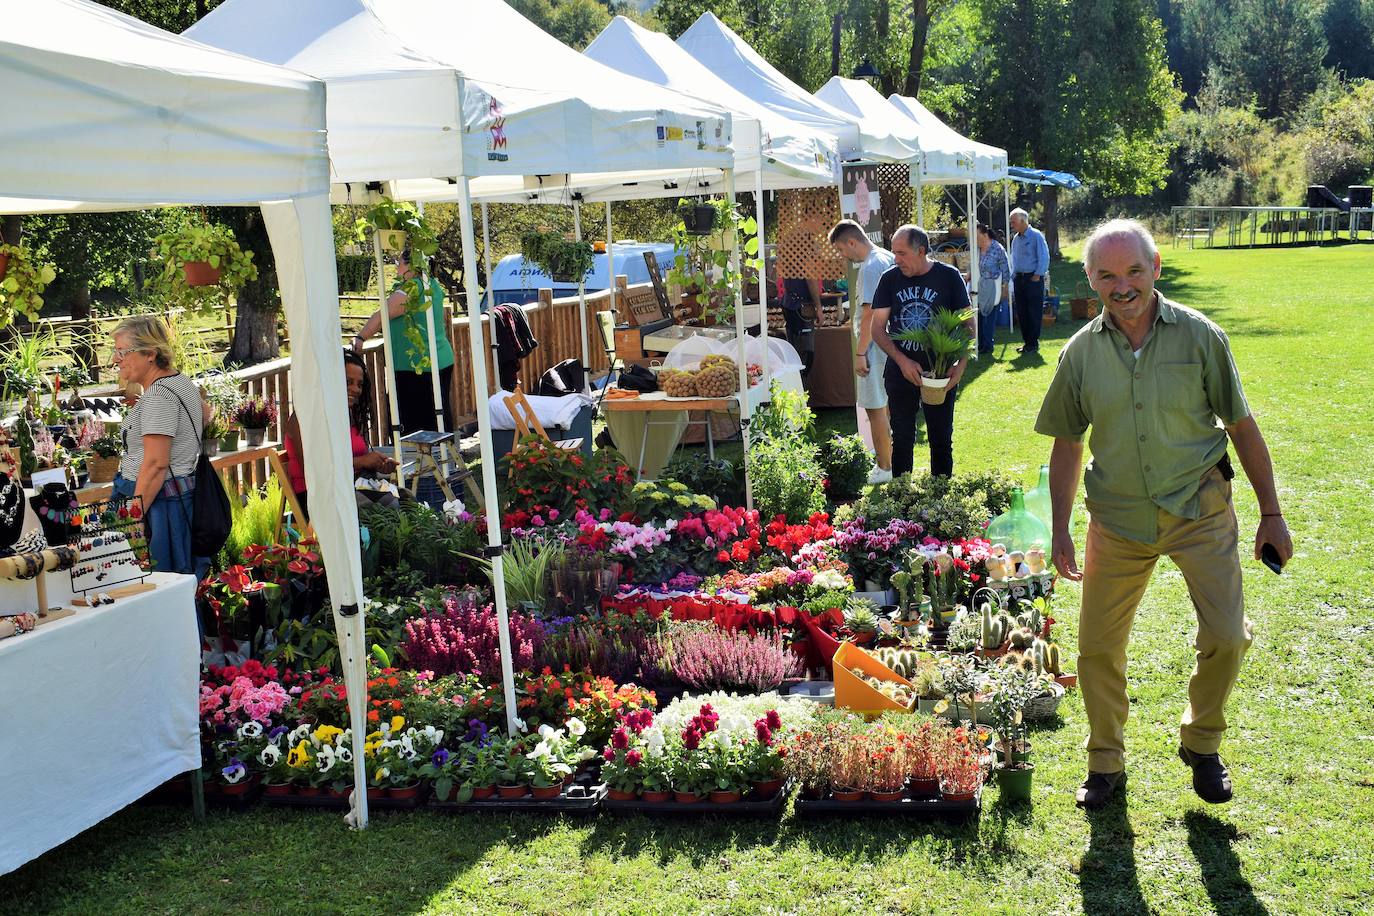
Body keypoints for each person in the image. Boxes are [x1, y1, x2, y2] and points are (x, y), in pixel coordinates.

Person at [1034, 218, 1292, 809]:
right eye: (1106, 274)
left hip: (1198, 509)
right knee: (1097, 647)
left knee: (1228, 637)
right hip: (1118, 518)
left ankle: (1202, 743)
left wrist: (1271, 513)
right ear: (1090, 279)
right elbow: (1068, 442)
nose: (1121, 285)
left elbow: (1242, 427)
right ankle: (1105, 764)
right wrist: (1060, 529)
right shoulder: (1079, 354)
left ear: (1156, 269)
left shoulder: (1201, 337)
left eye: (1132, 271)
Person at [870, 225, 974, 478]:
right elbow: (877, 329)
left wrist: (959, 368)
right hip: (899, 373)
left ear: (921, 251)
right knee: (903, 438)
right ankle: (902, 501)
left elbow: (968, 326)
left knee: (940, 440)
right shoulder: (890, 279)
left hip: (939, 375)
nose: (896, 259)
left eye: (902, 253)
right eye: (894, 252)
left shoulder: (948, 277)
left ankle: (941, 502)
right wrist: (902, 361)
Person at [109, 315, 210, 577]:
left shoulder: (159, 396)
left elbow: (155, 464)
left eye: (122, 352)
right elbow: (204, 415)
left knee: (159, 586)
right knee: (177, 587)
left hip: (158, 505)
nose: (114, 359)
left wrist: (133, 516)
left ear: (150, 354)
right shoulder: (180, 383)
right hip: (169, 499)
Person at [283, 349, 398, 520]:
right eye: (348, 382)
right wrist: (362, 461)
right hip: (319, 495)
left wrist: (377, 464)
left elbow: (353, 462)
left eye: (359, 384)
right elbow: (314, 467)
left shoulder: (347, 416)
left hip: (352, 486)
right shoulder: (303, 418)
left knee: (407, 500)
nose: (355, 389)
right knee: (389, 504)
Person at [352, 247, 455, 435]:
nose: (396, 266)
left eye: (399, 262)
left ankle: (423, 461)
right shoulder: (431, 284)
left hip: (418, 367)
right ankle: (443, 455)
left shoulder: (411, 290)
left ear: (411, 266)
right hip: (438, 359)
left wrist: (360, 337)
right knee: (437, 416)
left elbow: (382, 315)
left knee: (417, 422)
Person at [828, 218, 894, 483]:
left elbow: (869, 313)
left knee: (875, 408)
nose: (844, 256)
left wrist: (860, 352)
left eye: (843, 250)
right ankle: (892, 460)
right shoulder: (887, 257)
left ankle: (884, 467)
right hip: (889, 343)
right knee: (888, 406)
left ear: (852, 242)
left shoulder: (869, 267)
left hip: (874, 348)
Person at [1009, 207, 1050, 354]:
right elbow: (1014, 258)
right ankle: (1027, 343)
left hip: (1032, 278)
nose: (1012, 225)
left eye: (1013, 222)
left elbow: (1044, 257)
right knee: (1022, 312)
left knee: (1033, 311)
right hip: (1019, 279)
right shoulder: (1016, 239)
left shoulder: (1036, 236)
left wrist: (1037, 275)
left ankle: (1033, 343)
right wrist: (1014, 275)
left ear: (1022, 221)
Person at [974, 223, 1011, 356]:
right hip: (979, 286)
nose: (975, 238)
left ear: (985, 234)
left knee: (989, 316)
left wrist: (1005, 288)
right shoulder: (976, 250)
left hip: (994, 287)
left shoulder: (997, 248)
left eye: (977, 235)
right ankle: (981, 344)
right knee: (979, 316)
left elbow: (1006, 269)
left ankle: (988, 345)